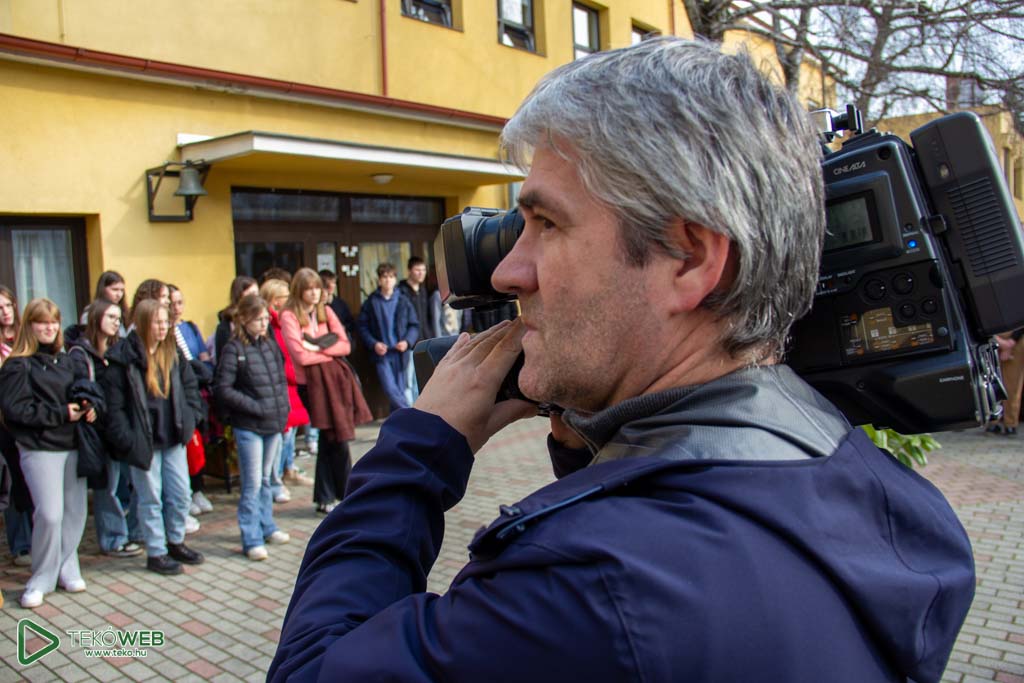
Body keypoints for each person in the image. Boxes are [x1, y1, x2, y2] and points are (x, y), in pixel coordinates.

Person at [270, 38, 974, 682]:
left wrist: (419, 451)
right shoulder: (883, 499)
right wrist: (595, 444)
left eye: (546, 223)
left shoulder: (585, 588)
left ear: (689, 259)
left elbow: (312, 670)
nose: (508, 272)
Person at [0, 299, 93, 608]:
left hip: (73, 445)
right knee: (50, 515)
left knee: (75, 513)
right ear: (30, 325)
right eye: (42, 322)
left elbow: (83, 391)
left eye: (53, 322)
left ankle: (67, 567)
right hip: (39, 448)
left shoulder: (66, 361)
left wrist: (90, 406)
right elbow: (16, 410)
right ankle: (41, 577)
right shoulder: (17, 365)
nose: (50, 327)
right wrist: (61, 413)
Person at [102, 299, 206, 575]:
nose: (163, 328)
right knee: (150, 500)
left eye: (166, 322)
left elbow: (190, 387)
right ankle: (156, 552)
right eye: (157, 322)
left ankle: (175, 541)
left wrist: (190, 419)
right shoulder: (123, 358)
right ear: (143, 323)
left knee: (181, 495)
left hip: (173, 438)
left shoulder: (172, 352)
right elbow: (115, 408)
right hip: (143, 443)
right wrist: (128, 440)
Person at [280, 268, 368, 514]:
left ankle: (328, 496)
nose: (315, 293)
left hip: (335, 382)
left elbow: (345, 345)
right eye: (309, 289)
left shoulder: (326, 311)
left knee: (333, 438)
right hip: (311, 385)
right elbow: (300, 356)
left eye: (317, 288)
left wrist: (315, 347)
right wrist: (327, 347)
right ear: (299, 290)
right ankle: (343, 494)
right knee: (332, 436)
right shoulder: (289, 315)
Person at [214, 294, 292, 560]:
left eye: (266, 319)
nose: (263, 324)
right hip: (249, 425)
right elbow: (223, 389)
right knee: (252, 483)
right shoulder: (234, 349)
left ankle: (267, 525)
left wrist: (282, 409)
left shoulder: (269, 344)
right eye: (258, 319)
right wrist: (255, 406)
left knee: (266, 479)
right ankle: (251, 537)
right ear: (245, 319)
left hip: (272, 423)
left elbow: (279, 379)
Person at [68, 298, 143, 558]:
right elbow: (79, 388)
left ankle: (135, 530)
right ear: (96, 318)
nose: (116, 322)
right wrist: (89, 405)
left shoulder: (119, 349)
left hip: (122, 425)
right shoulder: (80, 354)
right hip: (99, 430)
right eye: (110, 317)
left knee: (138, 481)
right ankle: (113, 539)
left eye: (118, 318)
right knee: (107, 487)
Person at [260, 279, 313, 502]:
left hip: (291, 385)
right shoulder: (270, 326)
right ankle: (275, 479)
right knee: (280, 437)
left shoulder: (283, 321)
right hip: (284, 385)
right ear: (275, 300)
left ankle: (286, 470)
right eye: (286, 297)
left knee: (288, 434)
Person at [168, 283, 215, 515]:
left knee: (197, 446)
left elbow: (203, 356)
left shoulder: (190, 327)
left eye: (180, 302)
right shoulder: (167, 331)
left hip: (196, 389)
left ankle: (197, 489)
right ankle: (184, 495)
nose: (176, 308)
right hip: (179, 392)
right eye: (171, 303)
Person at [357, 263, 419, 413]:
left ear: (395, 279)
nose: (388, 280)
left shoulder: (403, 300)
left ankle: (399, 421)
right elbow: (362, 327)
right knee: (390, 389)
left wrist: (407, 342)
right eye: (384, 277)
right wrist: (374, 344)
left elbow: (414, 325)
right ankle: (411, 414)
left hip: (400, 353)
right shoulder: (371, 302)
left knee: (400, 389)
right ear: (379, 280)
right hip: (382, 354)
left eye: (391, 277)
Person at [0, 285, 33, 567]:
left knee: (31, 480)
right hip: (3, 423)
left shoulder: (26, 337)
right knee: (11, 482)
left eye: (8, 306)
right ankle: (20, 544)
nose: (5, 312)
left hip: (28, 419)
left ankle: (38, 539)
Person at [397, 257, 430, 403]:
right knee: (408, 382)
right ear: (409, 271)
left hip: (423, 342)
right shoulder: (401, 291)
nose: (421, 273)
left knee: (420, 380)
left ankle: (419, 408)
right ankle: (410, 409)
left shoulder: (423, 290)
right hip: (408, 344)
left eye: (423, 270)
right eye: (417, 270)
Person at [214, 276, 259, 362]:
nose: (256, 299)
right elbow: (223, 358)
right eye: (252, 294)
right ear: (239, 296)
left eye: (257, 294)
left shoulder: (263, 320)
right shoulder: (226, 326)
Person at [80, 271, 128, 337]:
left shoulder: (123, 310)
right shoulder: (91, 312)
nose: (119, 295)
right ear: (103, 289)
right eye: (115, 289)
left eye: (122, 290)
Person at [317, 269, 357, 348]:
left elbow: (351, 323)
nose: (332, 286)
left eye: (334, 283)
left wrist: (344, 327)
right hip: (323, 343)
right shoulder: (315, 306)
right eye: (328, 284)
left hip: (340, 341)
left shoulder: (341, 304)